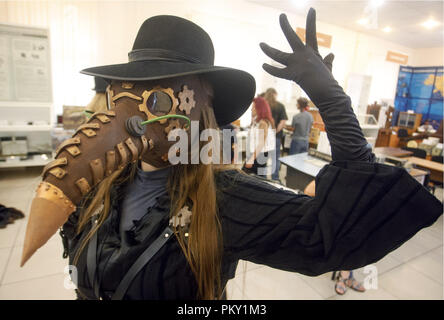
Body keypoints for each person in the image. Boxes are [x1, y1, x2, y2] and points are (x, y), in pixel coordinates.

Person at [24, 10, 441, 300]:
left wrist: (333, 101)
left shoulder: (226, 199)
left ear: (197, 107)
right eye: (123, 92)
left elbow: (336, 234)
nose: (134, 113)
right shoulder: (99, 183)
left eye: (156, 95)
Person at [243, 97, 275, 175]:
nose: (251, 110)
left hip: (259, 156)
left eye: (253, 108)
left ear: (259, 109)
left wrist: (251, 159)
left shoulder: (262, 123)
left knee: (245, 176)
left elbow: (261, 143)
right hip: (255, 155)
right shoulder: (257, 122)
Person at [264, 88, 288, 181]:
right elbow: (283, 121)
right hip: (276, 137)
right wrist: (275, 131)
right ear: (275, 94)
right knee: (275, 158)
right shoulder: (280, 106)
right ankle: (275, 178)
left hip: (264, 137)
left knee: (264, 158)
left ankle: (263, 178)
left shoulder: (264, 106)